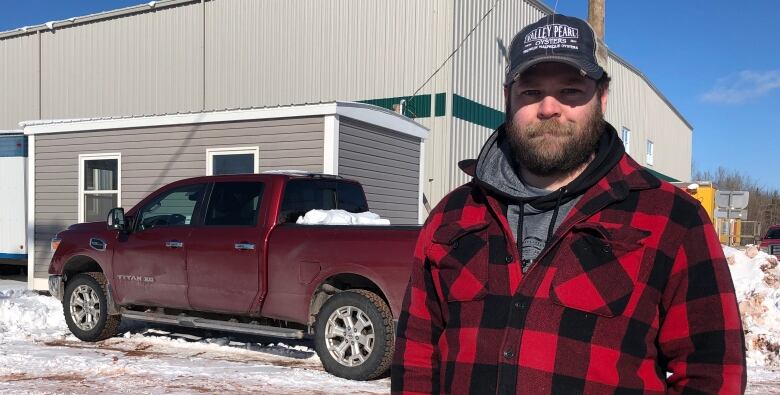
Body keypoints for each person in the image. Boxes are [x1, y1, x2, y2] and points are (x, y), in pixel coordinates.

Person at [391, 14, 746, 394]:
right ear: (507, 97)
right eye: (530, 92)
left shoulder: (673, 219)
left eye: (571, 91)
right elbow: (415, 355)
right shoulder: (454, 215)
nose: (549, 108)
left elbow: (712, 373)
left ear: (602, 98)